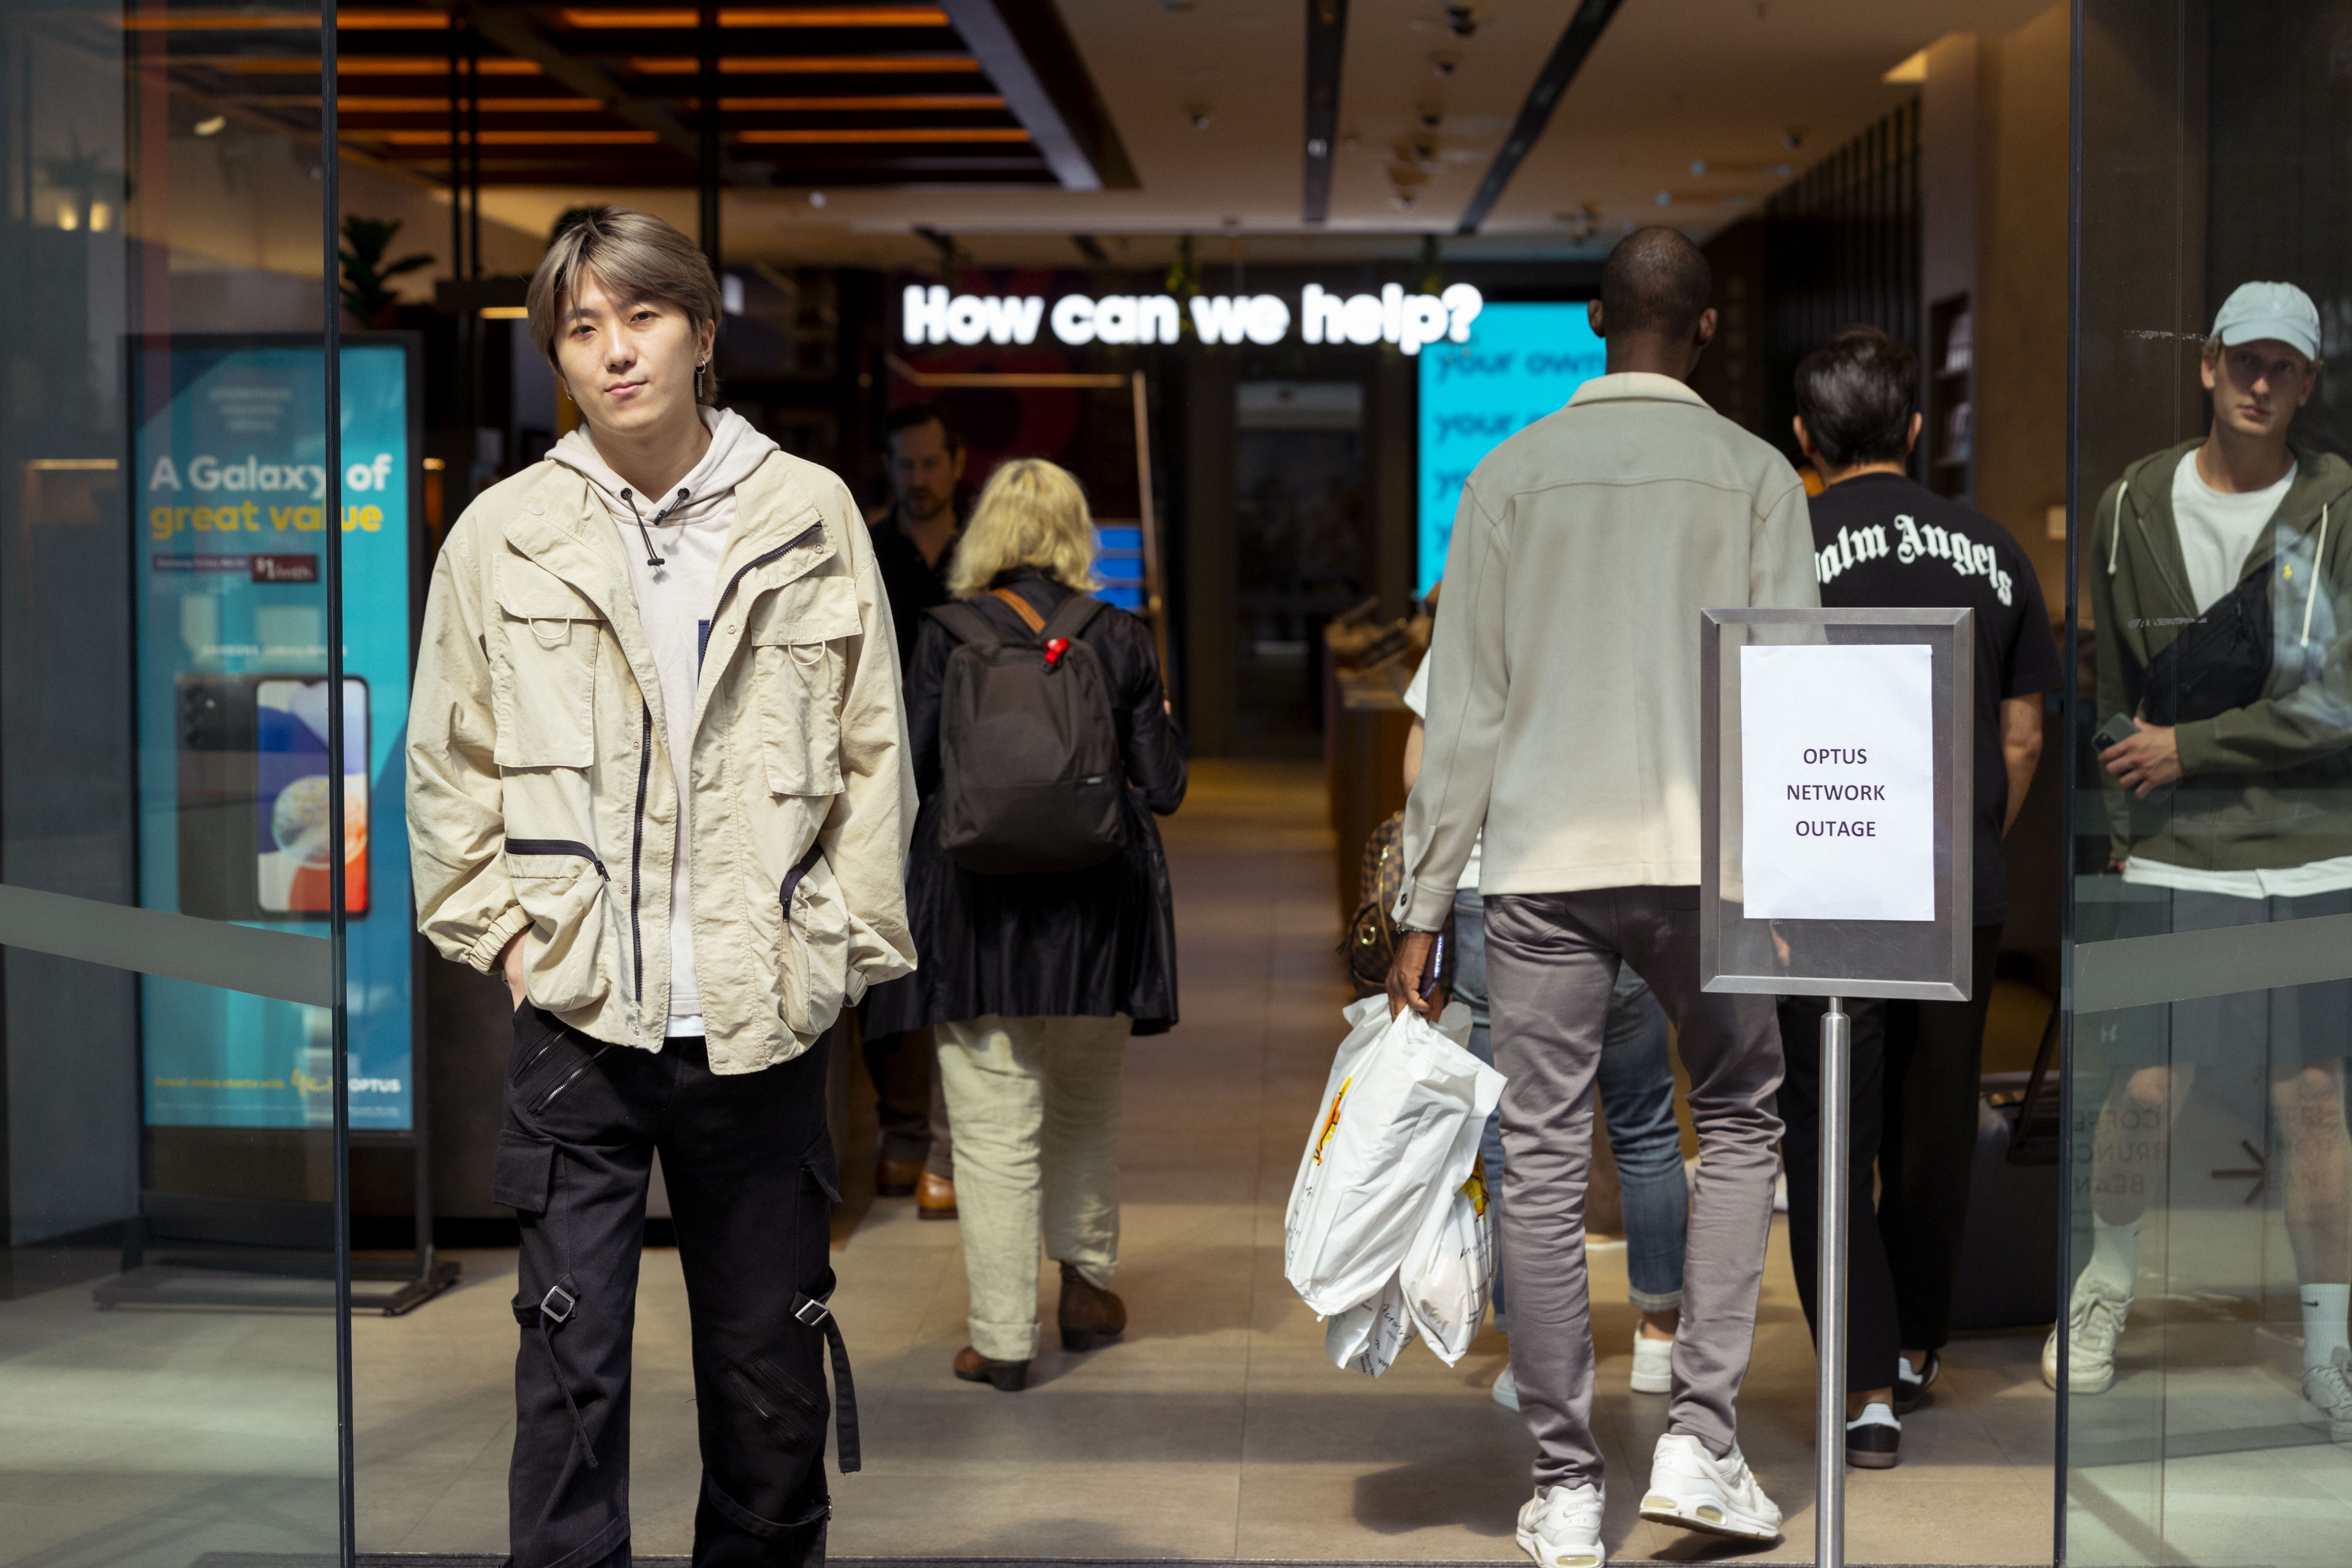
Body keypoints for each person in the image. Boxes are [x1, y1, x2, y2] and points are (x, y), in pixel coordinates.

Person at [407, 206, 917, 1568]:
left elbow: (878, 754)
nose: (616, 352)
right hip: (578, 1019)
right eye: (582, 329)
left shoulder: (807, 512)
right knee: (569, 1383)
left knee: (766, 1377)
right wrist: (511, 943)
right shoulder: (504, 534)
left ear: (700, 329)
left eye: (642, 318)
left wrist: (835, 949)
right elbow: (447, 760)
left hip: (760, 1019)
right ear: (558, 358)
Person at [1387, 227, 1819, 1566]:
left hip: (1542, 871)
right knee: (1742, 1116)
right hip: (1715, 867)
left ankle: (1568, 1485)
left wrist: (1420, 901)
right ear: (1701, 333)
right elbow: (1790, 688)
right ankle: (1698, 1437)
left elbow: (1462, 713)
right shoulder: (1756, 476)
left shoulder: (1510, 476)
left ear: (1591, 321)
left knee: (1542, 1145)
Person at [2068, 280, 2352, 1442]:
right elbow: (2111, 695)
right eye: (2244, 359)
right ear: (2206, 363)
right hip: (2175, 860)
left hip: (2317, 853)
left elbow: (2336, 704)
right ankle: (2104, 1287)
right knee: (2142, 1093)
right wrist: (2131, 836)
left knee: (2316, 1104)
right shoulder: (2134, 501)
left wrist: (2196, 749)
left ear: (2310, 381)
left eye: (2284, 365)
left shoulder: (2338, 504)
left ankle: (2331, 1346)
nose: (2261, 381)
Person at [1779, 325, 2062, 1467]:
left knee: (1830, 1122)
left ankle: (1859, 1377)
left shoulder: (1778, 546)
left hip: (1820, 880)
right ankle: (1915, 1347)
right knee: (1936, 1121)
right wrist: (1967, 848)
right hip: (1955, 882)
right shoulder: (1993, 551)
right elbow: (2027, 731)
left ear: (1802, 437)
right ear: (1909, 429)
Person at [865, 457, 1186, 1392]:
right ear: (1076, 535)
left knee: (993, 1117)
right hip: (1096, 908)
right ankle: (1086, 1292)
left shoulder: (942, 637)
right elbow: (1163, 789)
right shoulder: (1119, 637)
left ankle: (1003, 1337)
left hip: (974, 911)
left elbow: (912, 779)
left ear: (987, 534)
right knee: (1085, 1105)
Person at [1402, 638, 1690, 1415]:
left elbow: (1424, 768)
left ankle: (1534, 1348)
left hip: (1500, 891)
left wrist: (1424, 901)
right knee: (1645, 1121)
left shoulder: (1489, 619)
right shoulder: (1632, 615)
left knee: (1514, 1135)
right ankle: (1662, 1335)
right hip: (1624, 881)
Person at [862, 402, 969, 1216]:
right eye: (907, 466)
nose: (919, 479)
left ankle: (941, 1141)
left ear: (956, 463)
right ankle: (900, 1133)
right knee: (887, 962)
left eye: (931, 464)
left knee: (955, 961)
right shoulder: (866, 547)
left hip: (971, 786)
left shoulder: (984, 558)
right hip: (882, 781)